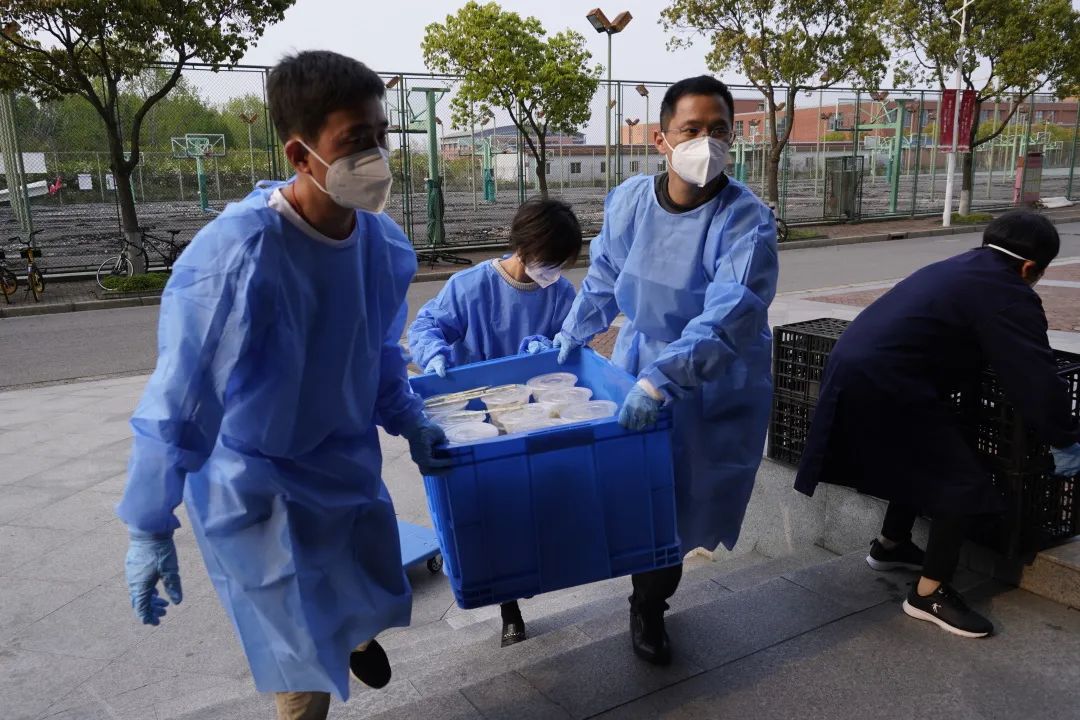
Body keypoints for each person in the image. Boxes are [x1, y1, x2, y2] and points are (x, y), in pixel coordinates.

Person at [117, 51, 451, 720]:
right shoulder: (239, 255)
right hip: (258, 484)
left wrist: (409, 416)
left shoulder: (381, 246)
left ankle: (351, 637)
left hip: (342, 463)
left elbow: (378, 352)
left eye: (381, 136)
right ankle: (321, 659)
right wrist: (150, 522)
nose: (376, 157)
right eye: (354, 142)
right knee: (298, 663)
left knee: (364, 585)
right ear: (301, 155)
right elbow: (182, 397)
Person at [535, 75, 778, 665]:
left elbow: (730, 314)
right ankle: (642, 590)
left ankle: (650, 604)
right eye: (691, 129)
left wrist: (662, 381)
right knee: (638, 491)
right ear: (662, 139)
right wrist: (574, 330)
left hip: (714, 375)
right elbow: (604, 276)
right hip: (640, 362)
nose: (706, 142)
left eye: (719, 130)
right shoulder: (630, 203)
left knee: (684, 504)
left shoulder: (746, 220)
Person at [794, 210, 1080, 639]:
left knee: (921, 459)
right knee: (961, 483)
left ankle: (891, 545)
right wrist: (1064, 437)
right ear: (1029, 268)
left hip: (859, 372)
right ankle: (928, 594)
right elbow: (1033, 374)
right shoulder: (1007, 291)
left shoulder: (960, 266)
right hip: (890, 383)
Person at [407, 197, 583, 647]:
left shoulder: (559, 293)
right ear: (525, 245)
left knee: (534, 507)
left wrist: (554, 347)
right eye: (549, 258)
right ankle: (508, 606)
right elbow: (426, 328)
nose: (553, 270)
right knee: (493, 513)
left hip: (532, 417)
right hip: (477, 423)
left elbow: (572, 342)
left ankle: (531, 578)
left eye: (560, 262)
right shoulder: (470, 287)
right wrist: (433, 354)